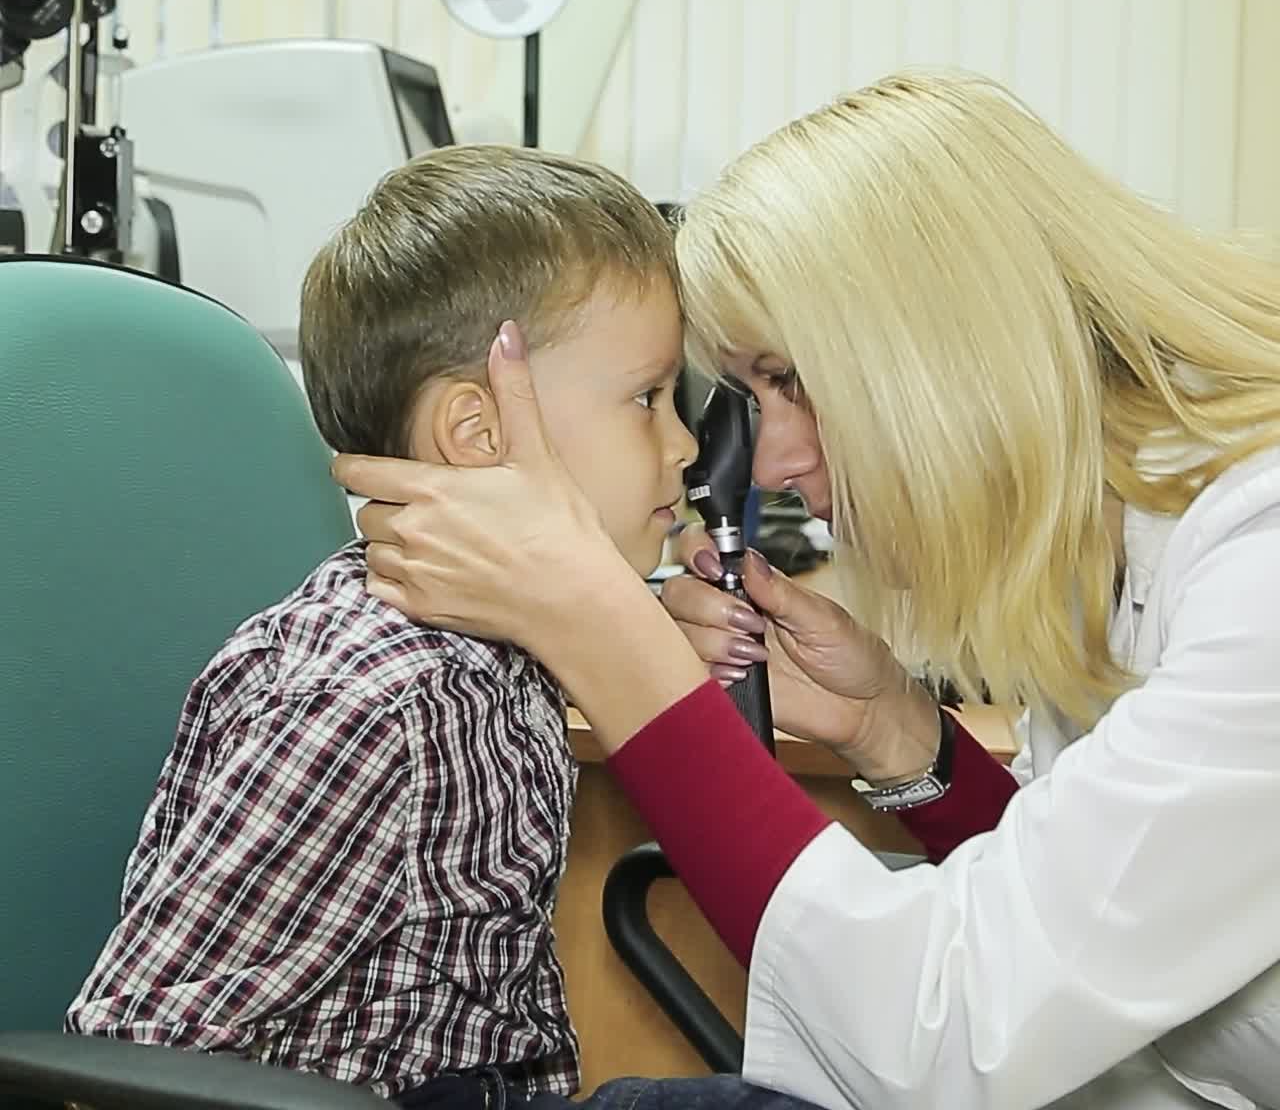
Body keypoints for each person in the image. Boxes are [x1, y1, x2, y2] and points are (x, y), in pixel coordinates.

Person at [333, 73, 1280, 1110]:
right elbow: (1088, 933)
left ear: (943, 355)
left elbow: (953, 1028)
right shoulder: (1132, 524)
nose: (769, 458)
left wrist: (607, 637)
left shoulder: (1258, 564)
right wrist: (895, 733)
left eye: (790, 381)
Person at [65, 145, 705, 1105]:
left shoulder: (492, 642)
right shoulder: (383, 702)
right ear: (479, 434)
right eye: (648, 400)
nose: (686, 442)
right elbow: (136, 1050)